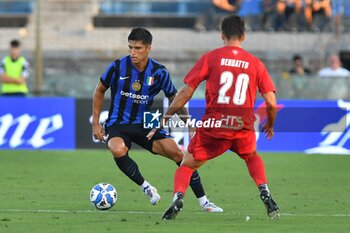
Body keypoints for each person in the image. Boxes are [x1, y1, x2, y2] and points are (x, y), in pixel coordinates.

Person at [147, 15, 280, 220]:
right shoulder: (255, 64)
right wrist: (270, 125)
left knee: (187, 165)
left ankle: (178, 197)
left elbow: (186, 92)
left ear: (222, 35)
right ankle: (264, 190)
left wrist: (166, 117)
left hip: (214, 125)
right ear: (243, 36)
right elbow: (271, 102)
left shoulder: (211, 57)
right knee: (251, 156)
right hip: (242, 126)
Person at [92, 28, 223, 212]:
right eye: (130, 47)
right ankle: (146, 187)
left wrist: (189, 125)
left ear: (148, 48)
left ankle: (204, 202)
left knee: (179, 154)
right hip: (118, 123)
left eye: (138, 48)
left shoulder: (159, 72)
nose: (133, 52)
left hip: (146, 122)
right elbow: (99, 90)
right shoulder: (117, 67)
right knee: (117, 148)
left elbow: (175, 99)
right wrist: (96, 123)